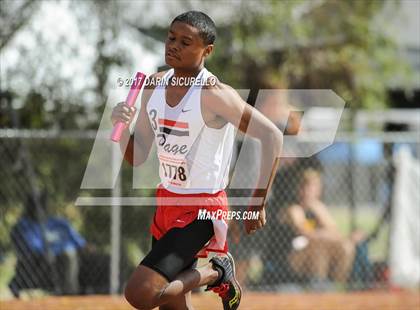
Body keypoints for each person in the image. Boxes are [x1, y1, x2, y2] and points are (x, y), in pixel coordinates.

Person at [111, 11, 283, 310]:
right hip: (167, 202)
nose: (173, 45)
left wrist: (259, 200)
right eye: (171, 37)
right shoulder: (153, 87)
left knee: (140, 294)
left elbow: (272, 136)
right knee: (171, 307)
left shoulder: (213, 94)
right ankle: (216, 274)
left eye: (186, 42)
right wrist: (123, 129)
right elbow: (137, 157)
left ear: (207, 51)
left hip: (202, 208)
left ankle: (217, 273)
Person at [278, 169, 363, 288]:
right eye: (306, 187)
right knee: (318, 244)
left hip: (320, 252)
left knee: (346, 246)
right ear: (299, 189)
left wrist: (318, 210)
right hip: (294, 256)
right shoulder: (294, 209)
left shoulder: (318, 208)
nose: (309, 191)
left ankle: (337, 285)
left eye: (314, 187)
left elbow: (335, 232)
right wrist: (329, 234)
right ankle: (317, 284)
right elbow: (306, 233)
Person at [10, 192, 86, 296]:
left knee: (75, 254)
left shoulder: (59, 223)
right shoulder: (24, 226)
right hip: (40, 261)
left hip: (70, 257)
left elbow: (81, 244)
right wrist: (61, 249)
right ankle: (69, 295)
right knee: (68, 255)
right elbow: (34, 248)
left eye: (43, 205)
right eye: (35, 205)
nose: (40, 209)